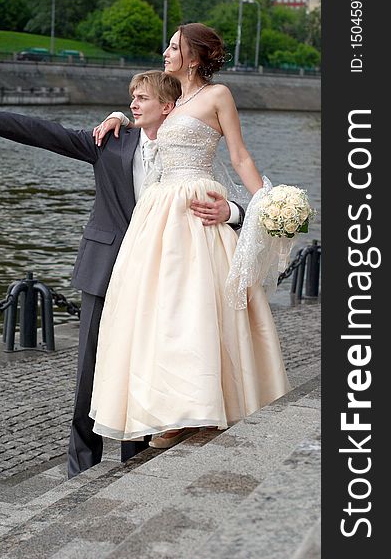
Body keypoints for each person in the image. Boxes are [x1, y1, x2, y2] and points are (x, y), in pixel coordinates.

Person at [0, 70, 244, 475]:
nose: (133, 104)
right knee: (90, 371)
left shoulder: (191, 151)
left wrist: (236, 212)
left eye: (142, 98)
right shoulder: (110, 140)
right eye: (131, 98)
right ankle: (81, 467)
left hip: (163, 279)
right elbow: (49, 133)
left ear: (170, 108)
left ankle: (136, 461)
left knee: (144, 367)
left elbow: (223, 197)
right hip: (107, 269)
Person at [88, 23, 291, 449]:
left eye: (175, 46)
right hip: (158, 214)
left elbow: (239, 155)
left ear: (194, 58)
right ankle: (171, 410)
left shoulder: (217, 96)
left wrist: (267, 205)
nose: (166, 51)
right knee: (156, 312)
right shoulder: (170, 96)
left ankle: (204, 406)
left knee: (198, 307)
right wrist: (119, 115)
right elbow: (149, 113)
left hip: (197, 205)